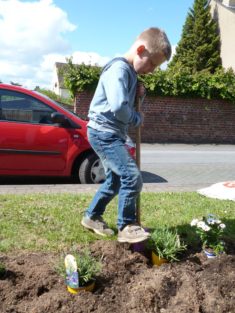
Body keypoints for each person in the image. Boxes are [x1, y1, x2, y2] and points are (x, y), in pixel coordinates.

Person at [81, 27, 171, 243]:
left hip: (110, 133)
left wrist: (139, 92)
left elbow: (126, 99)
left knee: (115, 181)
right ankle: (127, 226)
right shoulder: (119, 69)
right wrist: (137, 119)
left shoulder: (129, 72)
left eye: (155, 67)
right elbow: (119, 107)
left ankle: (92, 216)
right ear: (140, 49)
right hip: (104, 133)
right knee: (131, 176)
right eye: (151, 63)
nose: (151, 70)